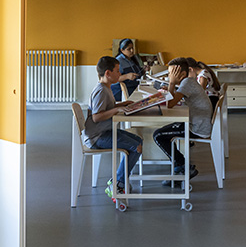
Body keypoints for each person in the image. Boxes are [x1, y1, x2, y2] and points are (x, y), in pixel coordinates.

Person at [83, 56, 144, 200]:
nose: (120, 73)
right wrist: (116, 110)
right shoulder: (101, 91)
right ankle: (118, 183)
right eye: (117, 71)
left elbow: (107, 107)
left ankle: (118, 180)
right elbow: (96, 117)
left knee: (138, 141)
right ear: (108, 73)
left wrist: (121, 104)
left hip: (103, 132)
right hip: (98, 137)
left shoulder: (106, 88)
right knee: (136, 147)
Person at [153, 57, 213, 186]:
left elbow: (170, 104)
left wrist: (171, 84)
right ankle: (180, 166)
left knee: (158, 135)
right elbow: (175, 99)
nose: (169, 76)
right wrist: (172, 87)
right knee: (164, 132)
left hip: (197, 128)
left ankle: (183, 167)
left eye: (172, 73)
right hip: (198, 123)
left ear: (182, 74)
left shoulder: (187, 83)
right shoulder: (188, 82)